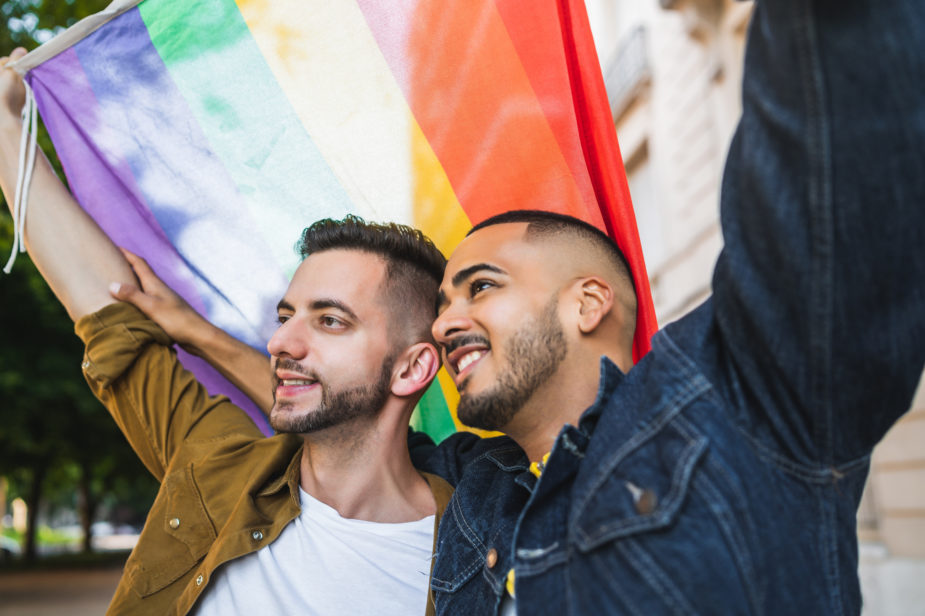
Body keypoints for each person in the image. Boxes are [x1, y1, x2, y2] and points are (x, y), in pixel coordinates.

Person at [117, 0, 925, 613]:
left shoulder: (741, 401)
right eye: (439, 301)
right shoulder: (467, 491)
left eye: (481, 286)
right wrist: (189, 329)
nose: (441, 321)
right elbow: (332, 392)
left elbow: (832, 152)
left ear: (588, 303)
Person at [0, 47, 453, 615]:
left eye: (331, 320)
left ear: (413, 367)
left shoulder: (484, 550)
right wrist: (6, 127)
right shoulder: (219, 469)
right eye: (287, 316)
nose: (281, 343)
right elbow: (106, 313)